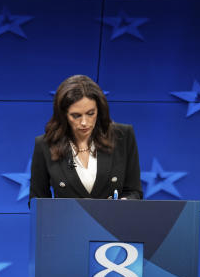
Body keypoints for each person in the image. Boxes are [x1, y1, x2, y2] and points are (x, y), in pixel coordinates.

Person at [30, 74, 142, 202]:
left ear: (99, 110)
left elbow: (134, 191)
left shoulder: (123, 136)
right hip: (67, 221)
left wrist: (125, 202)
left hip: (110, 221)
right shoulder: (45, 144)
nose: (84, 122)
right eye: (76, 116)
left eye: (90, 114)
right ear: (63, 115)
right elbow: (37, 201)